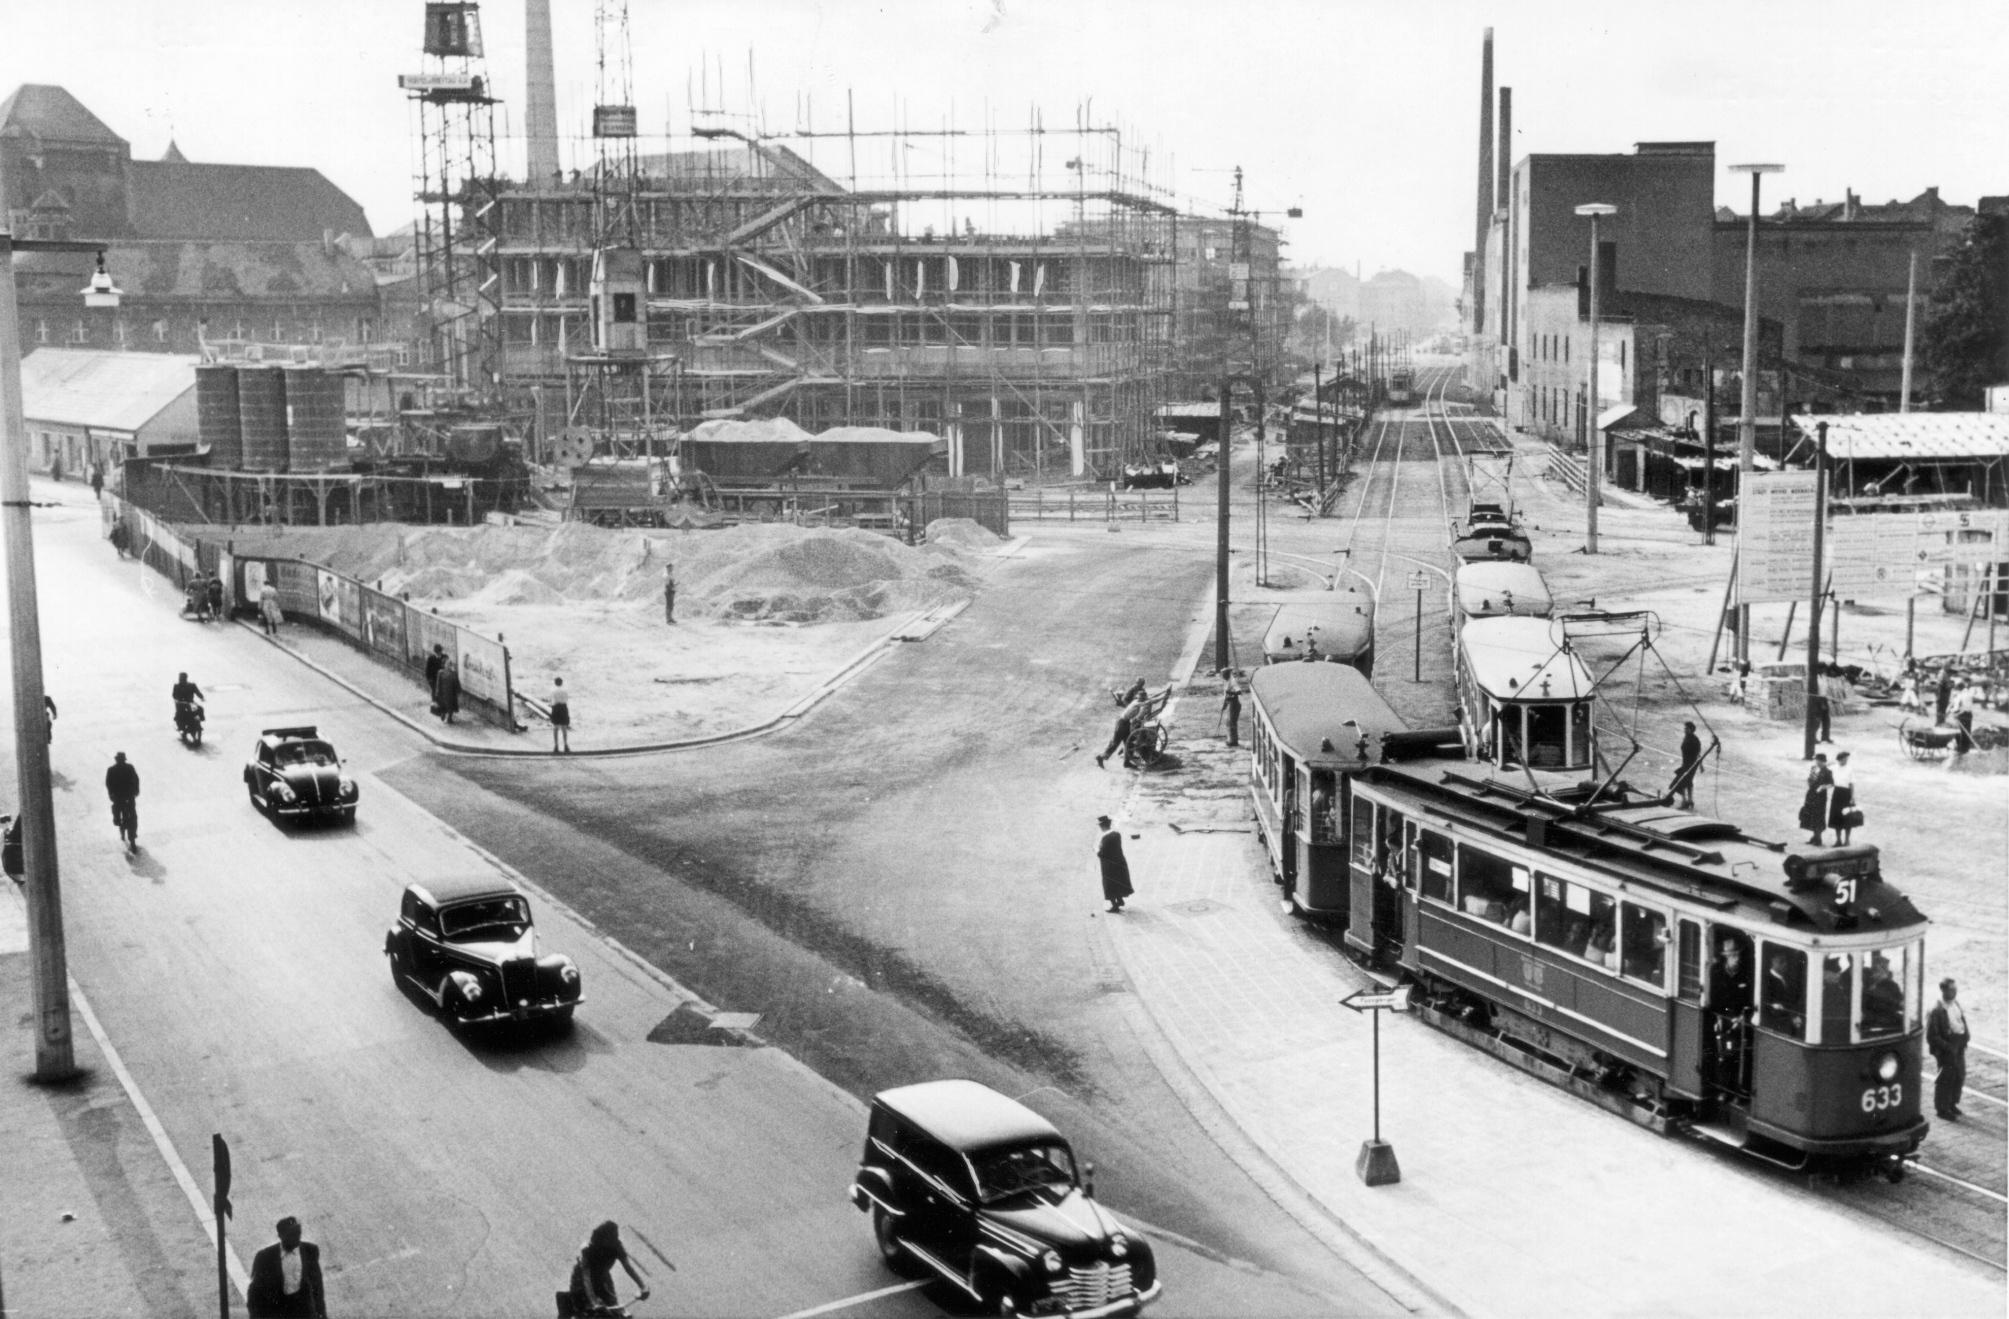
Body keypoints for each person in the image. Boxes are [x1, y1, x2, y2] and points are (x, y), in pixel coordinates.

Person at [246, 1215, 326, 1318]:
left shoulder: (310, 1251)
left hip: (304, 1311)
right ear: (280, 1235)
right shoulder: (265, 1256)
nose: (297, 1238)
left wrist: (321, 1313)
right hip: (278, 1311)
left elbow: (317, 1285)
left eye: (298, 1233)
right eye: (291, 1235)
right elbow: (255, 1291)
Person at [568, 1220, 649, 1317]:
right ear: (602, 1238)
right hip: (580, 1280)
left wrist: (642, 1286)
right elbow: (586, 1278)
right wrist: (594, 1302)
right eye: (610, 1238)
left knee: (615, 1310)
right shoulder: (589, 1250)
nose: (614, 1240)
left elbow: (628, 1267)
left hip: (602, 1278)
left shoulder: (617, 1246)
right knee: (583, 1310)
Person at [1927, 978, 1970, 1121]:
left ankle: (1952, 1103)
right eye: (1951, 989)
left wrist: (1965, 1037)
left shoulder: (1955, 1003)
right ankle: (1942, 1108)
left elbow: (1961, 1020)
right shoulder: (1937, 1010)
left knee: (1959, 1075)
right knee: (1946, 1078)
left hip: (1958, 1044)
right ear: (1944, 990)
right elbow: (1932, 1036)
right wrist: (1947, 1047)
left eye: (1955, 989)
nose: (1954, 992)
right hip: (1947, 1047)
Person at [1096, 687, 1149, 770]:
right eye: (1143, 698)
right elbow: (1150, 702)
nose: (1144, 699)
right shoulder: (1137, 703)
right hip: (1121, 723)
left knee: (1129, 742)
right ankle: (1101, 757)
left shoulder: (1137, 701)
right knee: (1115, 743)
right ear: (1141, 699)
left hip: (1126, 723)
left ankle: (1126, 762)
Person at [1095, 815, 1133, 914]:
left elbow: (1102, 853)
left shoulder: (1105, 838)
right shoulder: (1117, 834)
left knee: (1110, 884)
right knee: (1118, 882)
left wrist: (1096, 850)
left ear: (1102, 826)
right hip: (1120, 862)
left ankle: (1115, 905)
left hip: (1109, 866)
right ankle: (1120, 899)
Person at [105, 751, 140, 853]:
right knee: (126, 816)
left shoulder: (117, 769)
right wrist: (111, 795)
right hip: (123, 797)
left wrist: (135, 790)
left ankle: (130, 837)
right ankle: (127, 832)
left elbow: (135, 779)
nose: (120, 762)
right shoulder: (120, 769)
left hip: (125, 796)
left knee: (129, 816)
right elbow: (109, 784)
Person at [1862, 953, 1905, 1034]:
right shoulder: (1871, 984)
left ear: (1883, 971)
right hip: (1875, 1020)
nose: (1873, 974)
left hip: (1884, 1022)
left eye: (1876, 971)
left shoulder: (1891, 986)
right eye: (1873, 970)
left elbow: (1899, 1004)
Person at [1797, 753, 1832, 845]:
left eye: (1818, 760)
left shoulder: (1827, 772)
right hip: (1811, 794)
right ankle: (1814, 836)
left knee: (1818, 816)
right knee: (1811, 814)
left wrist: (1823, 787)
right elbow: (1809, 779)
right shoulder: (1813, 768)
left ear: (1822, 761)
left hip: (1820, 796)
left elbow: (1831, 784)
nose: (1816, 762)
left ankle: (1818, 838)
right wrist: (1808, 781)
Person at [1670, 720, 1704, 808]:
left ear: (1691, 729)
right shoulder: (1687, 737)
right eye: (1684, 728)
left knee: (1679, 782)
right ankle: (1690, 800)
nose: (1684, 730)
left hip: (1691, 764)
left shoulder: (1694, 740)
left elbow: (1698, 753)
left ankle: (1685, 801)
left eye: (1686, 728)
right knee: (1688, 782)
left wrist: (1701, 765)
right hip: (1686, 763)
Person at [1828, 749, 1858, 843]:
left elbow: (1852, 784)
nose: (1846, 761)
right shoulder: (1833, 768)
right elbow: (1826, 768)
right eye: (1844, 759)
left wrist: (1852, 797)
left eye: (1846, 759)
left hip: (1846, 793)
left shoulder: (1850, 769)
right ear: (1839, 759)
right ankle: (1838, 840)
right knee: (1836, 817)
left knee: (1847, 817)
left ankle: (1847, 839)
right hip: (1837, 792)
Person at [432, 658, 462, 725]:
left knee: (451, 706)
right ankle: (443, 714)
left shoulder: (453, 673)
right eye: (447, 664)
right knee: (444, 705)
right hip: (443, 693)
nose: (449, 665)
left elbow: (457, 682)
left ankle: (449, 719)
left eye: (450, 664)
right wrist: (437, 693)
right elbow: (438, 683)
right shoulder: (440, 672)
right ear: (444, 665)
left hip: (452, 693)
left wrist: (458, 691)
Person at [1952, 678, 1977, 754]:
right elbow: (1956, 705)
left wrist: (1958, 714)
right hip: (1961, 714)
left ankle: (1964, 749)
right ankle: (1960, 747)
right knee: (1958, 732)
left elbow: (1966, 707)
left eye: (1956, 688)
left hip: (1964, 714)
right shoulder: (1961, 693)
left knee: (1964, 732)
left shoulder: (1966, 694)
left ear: (1959, 687)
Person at [1219, 670, 1243, 748]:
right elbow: (1226, 696)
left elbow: (1239, 692)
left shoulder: (1232, 681)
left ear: (1227, 674)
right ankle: (1230, 739)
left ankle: (1234, 741)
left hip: (1235, 703)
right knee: (1228, 722)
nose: (1222, 676)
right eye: (1222, 675)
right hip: (1230, 703)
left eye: (1224, 674)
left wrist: (1230, 693)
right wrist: (1224, 706)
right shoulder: (1226, 682)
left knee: (1232, 722)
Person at [550, 676, 572, 754]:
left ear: (555, 683)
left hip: (556, 708)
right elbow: (566, 699)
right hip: (563, 708)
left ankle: (556, 746)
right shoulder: (565, 690)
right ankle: (565, 745)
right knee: (564, 728)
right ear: (562, 683)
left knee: (555, 728)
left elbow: (552, 701)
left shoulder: (553, 690)